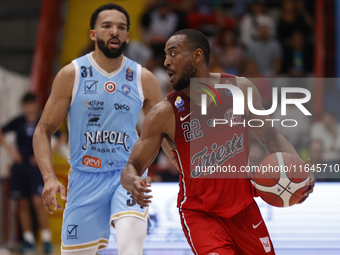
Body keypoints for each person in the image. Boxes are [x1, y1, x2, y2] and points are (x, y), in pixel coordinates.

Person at [121, 29, 316, 255]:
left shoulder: (240, 89)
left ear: (196, 56)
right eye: (165, 55)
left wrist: (299, 173)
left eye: (173, 54)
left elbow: (271, 137)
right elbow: (132, 164)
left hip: (244, 210)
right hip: (201, 214)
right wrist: (133, 181)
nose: (166, 62)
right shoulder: (163, 113)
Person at [33, 3, 162, 255]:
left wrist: (186, 163)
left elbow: (164, 131)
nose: (114, 31)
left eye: (121, 27)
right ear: (93, 34)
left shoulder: (143, 78)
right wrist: (49, 178)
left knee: (130, 250)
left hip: (128, 174)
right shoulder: (71, 74)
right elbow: (42, 131)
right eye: (107, 26)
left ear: (127, 36)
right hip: (84, 178)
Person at [0, 93, 65, 254]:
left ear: (36, 105)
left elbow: (61, 136)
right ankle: (28, 240)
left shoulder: (43, 121)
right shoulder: (18, 121)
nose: (29, 108)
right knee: (22, 203)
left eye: (31, 104)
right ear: (23, 106)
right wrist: (11, 151)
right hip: (20, 167)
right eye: (26, 105)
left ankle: (46, 238)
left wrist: (47, 153)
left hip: (37, 168)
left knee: (38, 201)